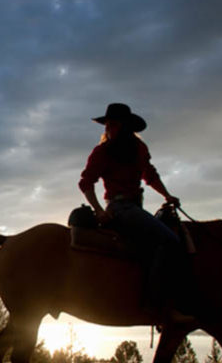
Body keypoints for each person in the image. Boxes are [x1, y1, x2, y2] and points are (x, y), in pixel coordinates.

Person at [77, 103, 192, 323]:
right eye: (107, 125)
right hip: (119, 208)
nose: (108, 129)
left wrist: (167, 195)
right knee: (169, 241)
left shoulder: (139, 149)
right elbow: (86, 182)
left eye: (113, 124)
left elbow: (150, 175)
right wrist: (98, 210)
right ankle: (155, 306)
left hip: (135, 208)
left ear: (126, 127)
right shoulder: (102, 152)